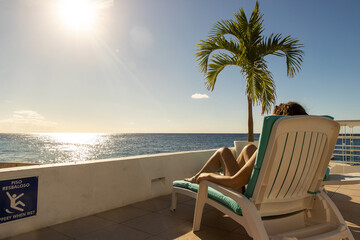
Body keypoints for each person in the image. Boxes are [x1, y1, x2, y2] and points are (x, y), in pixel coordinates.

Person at [184, 102, 308, 192]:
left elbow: (235, 183)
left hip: (252, 195)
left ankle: (196, 178)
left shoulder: (272, 149)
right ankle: (220, 175)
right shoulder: (308, 150)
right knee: (249, 149)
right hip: (286, 192)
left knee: (223, 151)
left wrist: (206, 176)